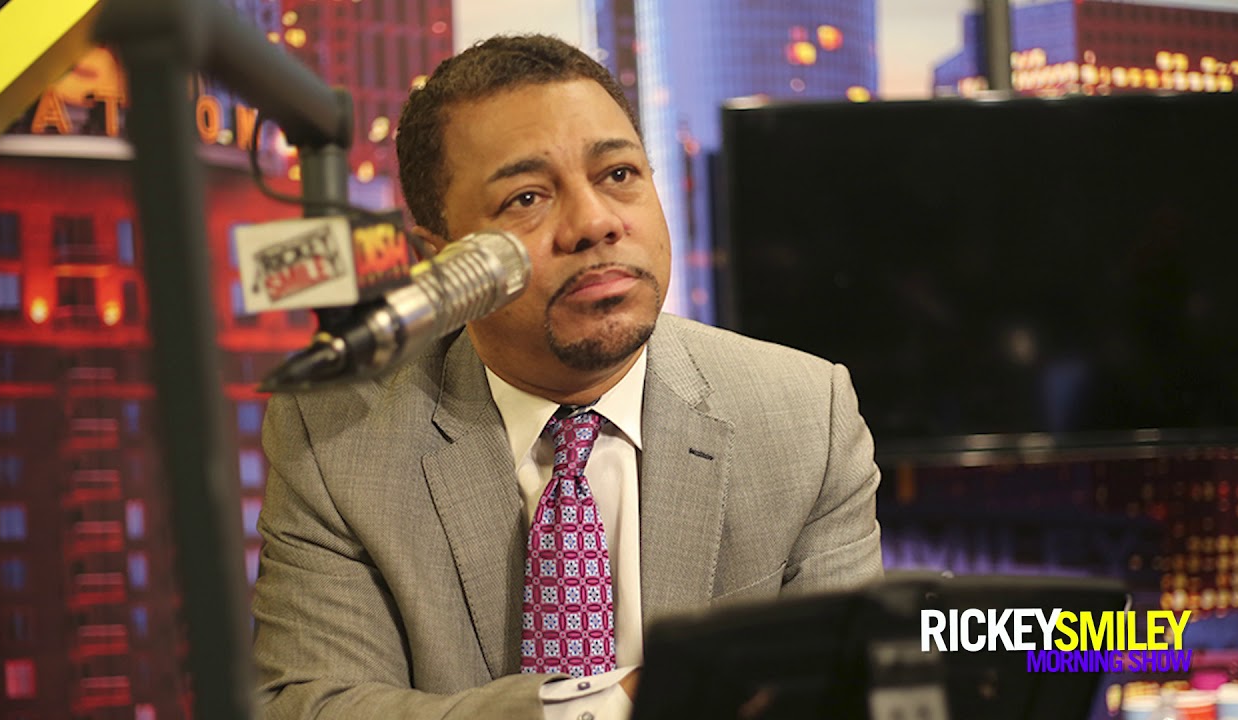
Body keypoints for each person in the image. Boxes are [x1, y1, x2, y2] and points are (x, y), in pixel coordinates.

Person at [252, 34, 882, 720]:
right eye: (527, 197)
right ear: (441, 257)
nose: (595, 223)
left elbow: (848, 694)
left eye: (619, 174)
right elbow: (310, 706)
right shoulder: (337, 436)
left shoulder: (805, 416)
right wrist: (613, 707)